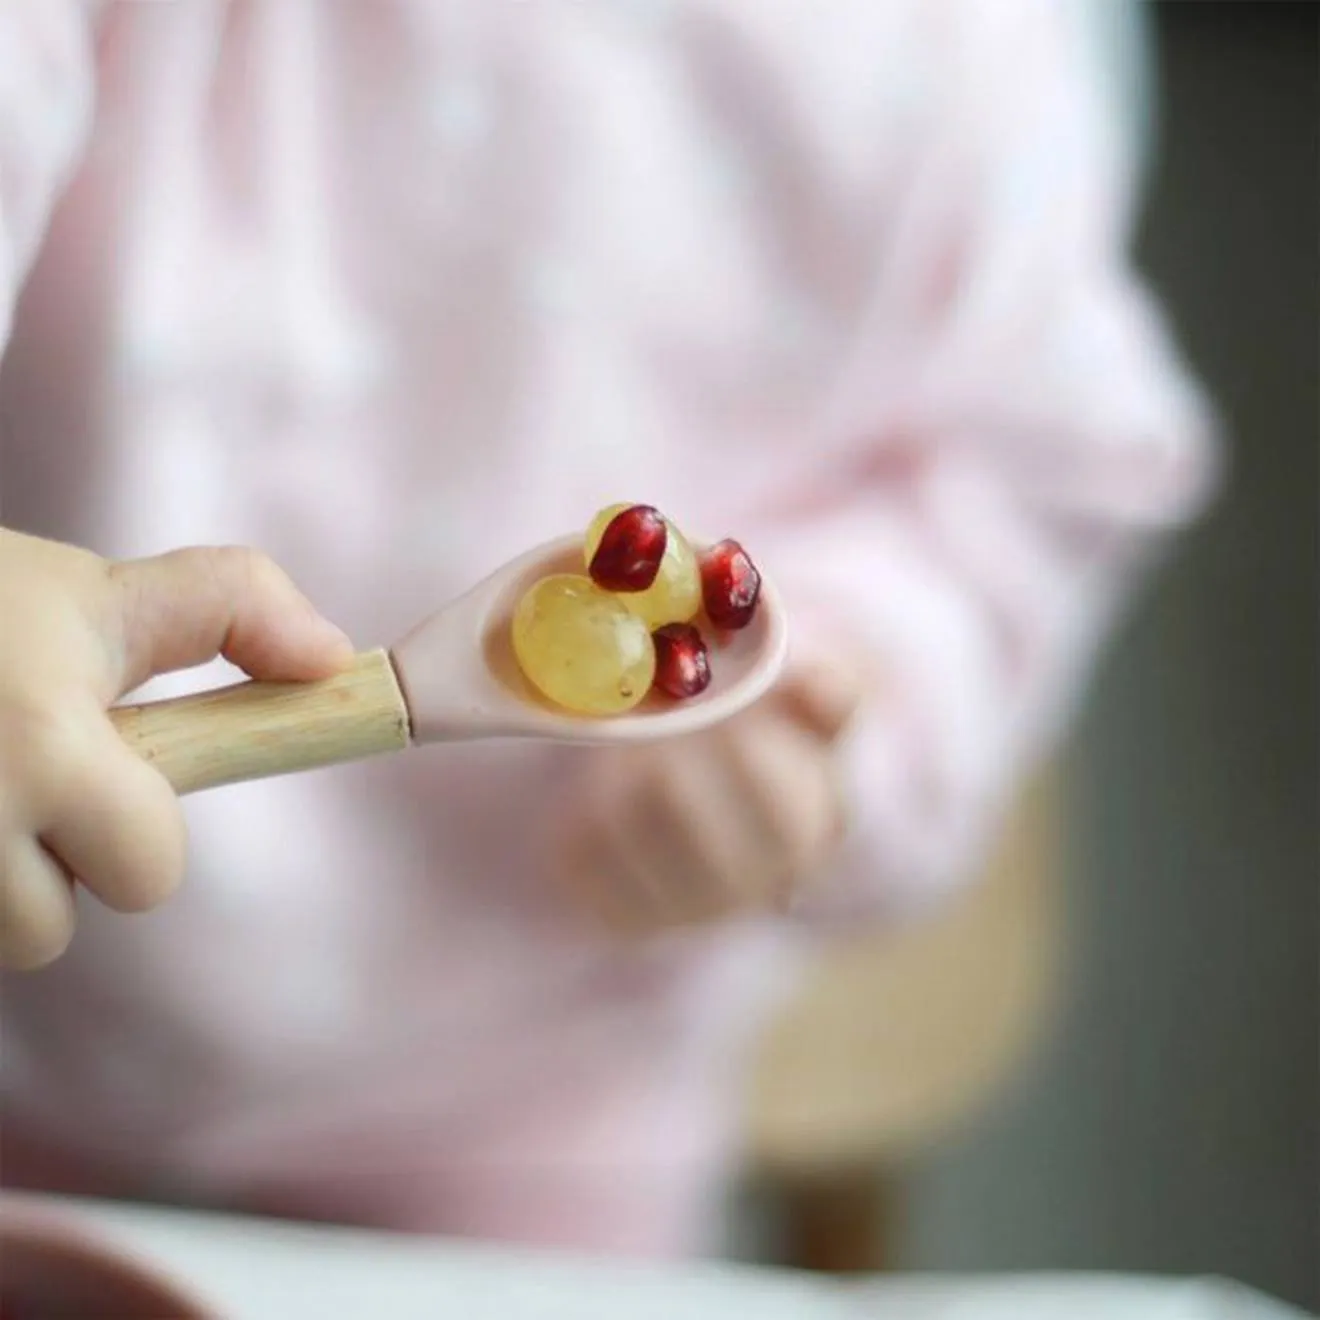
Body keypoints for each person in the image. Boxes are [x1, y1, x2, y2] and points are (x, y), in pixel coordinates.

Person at [0, 0, 1214, 1257]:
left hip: (533, 1074)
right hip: (31, 953)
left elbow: (1032, 473)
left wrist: (828, 700)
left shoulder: (962, 65)